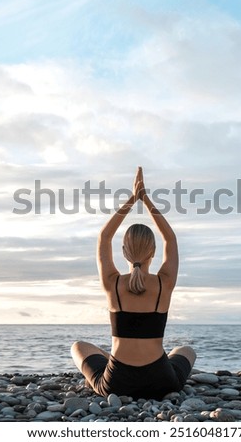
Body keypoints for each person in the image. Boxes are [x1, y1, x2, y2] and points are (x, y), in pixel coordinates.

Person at [71, 167, 196, 400]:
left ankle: (117, 358)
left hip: (118, 381)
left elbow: (104, 237)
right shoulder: (164, 283)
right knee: (185, 350)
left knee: (78, 346)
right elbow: (170, 237)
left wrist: (131, 199)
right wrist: (145, 200)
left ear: (124, 252)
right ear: (154, 252)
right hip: (161, 382)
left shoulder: (113, 283)